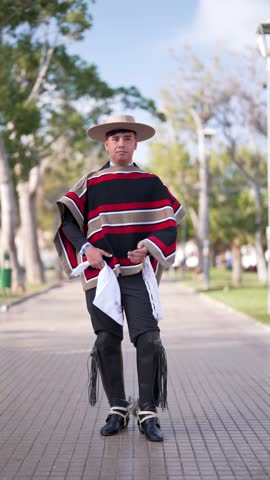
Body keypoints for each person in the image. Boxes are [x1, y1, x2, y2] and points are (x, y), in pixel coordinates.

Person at [54, 114, 185, 442]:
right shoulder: (91, 182)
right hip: (102, 274)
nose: (121, 143)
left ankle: (148, 412)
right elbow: (68, 223)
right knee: (105, 340)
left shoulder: (151, 182)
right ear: (106, 143)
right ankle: (117, 409)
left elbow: (168, 222)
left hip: (138, 273)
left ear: (135, 142)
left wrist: (148, 247)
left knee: (149, 340)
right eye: (115, 138)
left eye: (127, 137)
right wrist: (87, 248)